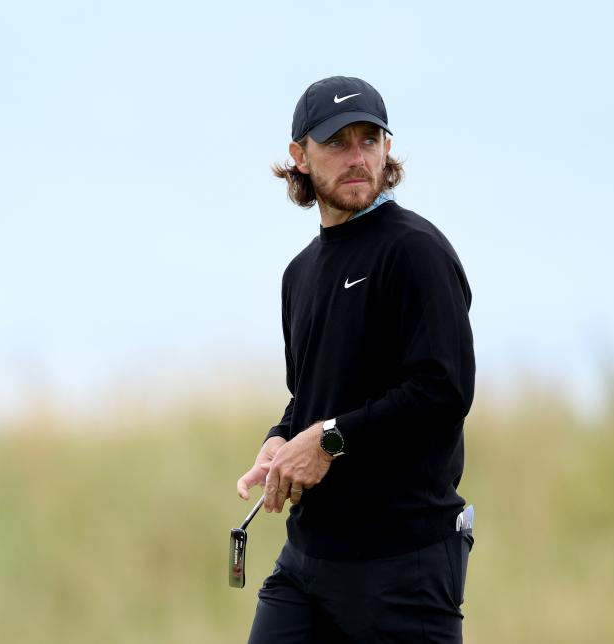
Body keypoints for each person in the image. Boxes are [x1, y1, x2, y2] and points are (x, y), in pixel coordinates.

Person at [236, 75, 476, 643]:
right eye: (337, 143)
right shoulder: (300, 274)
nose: (357, 157)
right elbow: (314, 395)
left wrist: (327, 441)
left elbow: (442, 392)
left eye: (370, 140)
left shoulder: (415, 251)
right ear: (300, 157)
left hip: (404, 565)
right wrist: (282, 438)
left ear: (387, 149)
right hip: (308, 559)